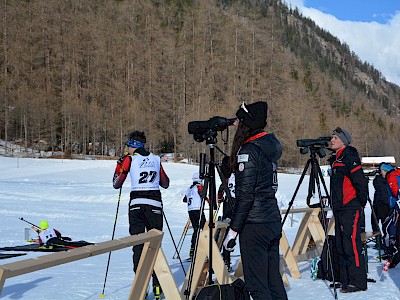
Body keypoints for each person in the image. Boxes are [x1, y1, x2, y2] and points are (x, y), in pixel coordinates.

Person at [223, 101, 287, 300]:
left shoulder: (249, 151)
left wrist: (233, 231)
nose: (235, 125)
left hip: (255, 224)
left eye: (239, 120)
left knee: (257, 285)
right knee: (272, 281)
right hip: (271, 220)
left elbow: (246, 197)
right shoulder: (267, 147)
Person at [113, 130, 170, 299]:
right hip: (154, 205)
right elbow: (165, 183)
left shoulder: (130, 159)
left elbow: (117, 183)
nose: (126, 149)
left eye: (128, 146)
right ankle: (158, 287)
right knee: (154, 246)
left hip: (137, 205)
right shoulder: (155, 159)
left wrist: (120, 165)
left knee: (138, 247)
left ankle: (141, 288)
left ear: (134, 146)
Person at [328, 127, 368, 293]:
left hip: (350, 206)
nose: (331, 140)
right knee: (341, 244)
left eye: (335, 138)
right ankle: (344, 278)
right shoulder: (336, 158)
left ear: (343, 141)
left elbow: (359, 181)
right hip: (339, 207)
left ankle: (357, 281)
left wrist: (360, 201)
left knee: (351, 243)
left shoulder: (349, 157)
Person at [217, 155, 236, 272]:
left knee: (228, 234)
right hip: (239, 205)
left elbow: (220, 191)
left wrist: (219, 199)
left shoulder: (228, 178)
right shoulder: (239, 175)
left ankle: (226, 261)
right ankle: (226, 261)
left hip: (229, 206)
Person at [379, 163, 400, 267]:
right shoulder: (396, 174)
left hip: (396, 206)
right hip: (395, 206)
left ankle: (392, 250)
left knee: (388, 227)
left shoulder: (391, 176)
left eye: (381, 171)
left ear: (385, 170)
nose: (380, 173)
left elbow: (396, 191)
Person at [183, 172, 206, 260]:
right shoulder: (198, 187)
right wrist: (207, 200)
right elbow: (202, 194)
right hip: (197, 209)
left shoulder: (189, 188)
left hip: (190, 210)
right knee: (204, 229)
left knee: (196, 229)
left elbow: (184, 199)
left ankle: (193, 249)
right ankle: (204, 248)